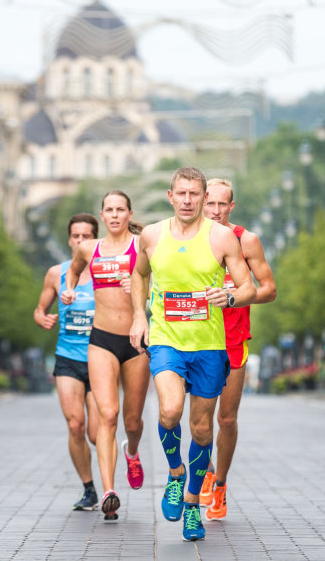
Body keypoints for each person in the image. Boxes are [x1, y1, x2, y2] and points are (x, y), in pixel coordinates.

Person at [129, 166, 256, 542]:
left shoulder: (222, 239)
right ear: (171, 196)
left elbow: (249, 286)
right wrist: (140, 316)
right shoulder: (152, 235)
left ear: (204, 198)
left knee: (202, 428)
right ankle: (174, 473)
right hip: (168, 339)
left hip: (210, 345)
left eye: (194, 195)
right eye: (181, 194)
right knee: (169, 410)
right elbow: (139, 275)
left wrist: (230, 296)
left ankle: (191, 506)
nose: (187, 201)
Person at [61, 191, 149, 521]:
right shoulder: (89, 248)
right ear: (102, 214)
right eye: (108, 210)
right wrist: (69, 289)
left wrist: (139, 285)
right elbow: (73, 270)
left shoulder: (141, 246)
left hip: (136, 341)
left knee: (132, 420)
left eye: (120, 210)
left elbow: (161, 284)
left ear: (129, 213)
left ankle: (133, 451)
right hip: (100, 340)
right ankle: (110, 491)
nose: (114, 215)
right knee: (107, 415)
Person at [198, 178, 277, 521]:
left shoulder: (247, 241)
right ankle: (207, 471)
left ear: (232, 206)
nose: (215, 211)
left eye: (222, 204)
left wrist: (235, 297)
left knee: (226, 419)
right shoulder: (188, 239)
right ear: (200, 204)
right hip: (196, 341)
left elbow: (270, 289)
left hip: (233, 340)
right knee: (199, 422)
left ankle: (220, 486)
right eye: (209, 204)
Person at [34, 213, 101, 512]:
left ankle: (113, 476)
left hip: (101, 358)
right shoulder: (55, 274)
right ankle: (89, 489)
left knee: (97, 434)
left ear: (95, 239)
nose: (81, 241)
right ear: (69, 239)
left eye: (87, 236)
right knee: (75, 426)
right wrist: (43, 317)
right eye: (76, 236)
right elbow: (39, 308)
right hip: (68, 358)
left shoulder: (106, 273)